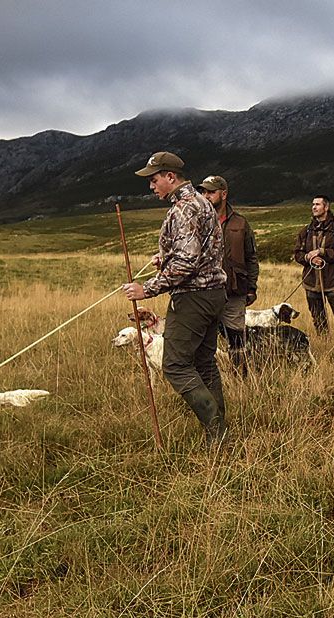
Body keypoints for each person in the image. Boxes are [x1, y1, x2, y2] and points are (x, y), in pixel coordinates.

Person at [122, 151, 228, 440]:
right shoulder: (204, 204)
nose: (151, 186)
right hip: (215, 293)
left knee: (175, 364)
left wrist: (147, 289)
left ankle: (216, 432)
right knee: (204, 362)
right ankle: (220, 428)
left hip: (193, 298)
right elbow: (199, 251)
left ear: (171, 177)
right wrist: (166, 257)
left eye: (154, 179)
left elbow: (187, 263)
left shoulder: (182, 210)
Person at [199, 175, 258, 374]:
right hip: (205, 292)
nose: (205, 196)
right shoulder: (196, 222)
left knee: (236, 339)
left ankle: (240, 378)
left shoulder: (241, 223)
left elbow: (251, 257)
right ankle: (210, 377)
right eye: (203, 192)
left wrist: (251, 287)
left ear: (223, 194)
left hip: (234, 290)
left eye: (210, 192)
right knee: (204, 338)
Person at [294, 195, 334, 342]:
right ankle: (325, 345)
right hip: (311, 282)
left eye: (318, 204)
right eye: (313, 204)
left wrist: (322, 253)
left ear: (326, 207)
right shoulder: (305, 231)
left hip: (333, 281)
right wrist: (309, 258)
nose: (314, 207)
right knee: (318, 319)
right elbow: (298, 254)